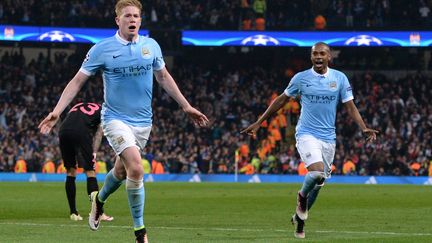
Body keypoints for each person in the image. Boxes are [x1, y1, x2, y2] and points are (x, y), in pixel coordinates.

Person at [38, 0, 209, 242]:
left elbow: (163, 77)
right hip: (114, 119)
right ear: (117, 20)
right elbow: (77, 81)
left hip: (143, 122)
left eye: (136, 16)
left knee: (120, 170)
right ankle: (140, 231)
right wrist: (57, 111)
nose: (132, 20)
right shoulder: (102, 49)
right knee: (136, 169)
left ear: (140, 20)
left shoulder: (151, 46)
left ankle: (99, 200)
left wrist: (186, 106)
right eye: (127, 16)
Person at [241, 42, 378, 239]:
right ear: (311, 57)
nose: (319, 57)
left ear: (329, 56)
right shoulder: (301, 78)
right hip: (306, 133)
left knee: (319, 181)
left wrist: (363, 127)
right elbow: (281, 100)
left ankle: (300, 220)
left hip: (328, 138)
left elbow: (350, 106)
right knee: (315, 172)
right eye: (315, 54)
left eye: (322, 53)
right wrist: (258, 122)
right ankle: (301, 196)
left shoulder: (339, 78)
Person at [58, 102, 113, 222]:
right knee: (90, 172)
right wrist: (93, 152)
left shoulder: (78, 105)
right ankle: (99, 213)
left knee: (71, 171)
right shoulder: (105, 112)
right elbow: (99, 134)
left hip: (63, 131)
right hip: (81, 131)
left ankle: (73, 213)